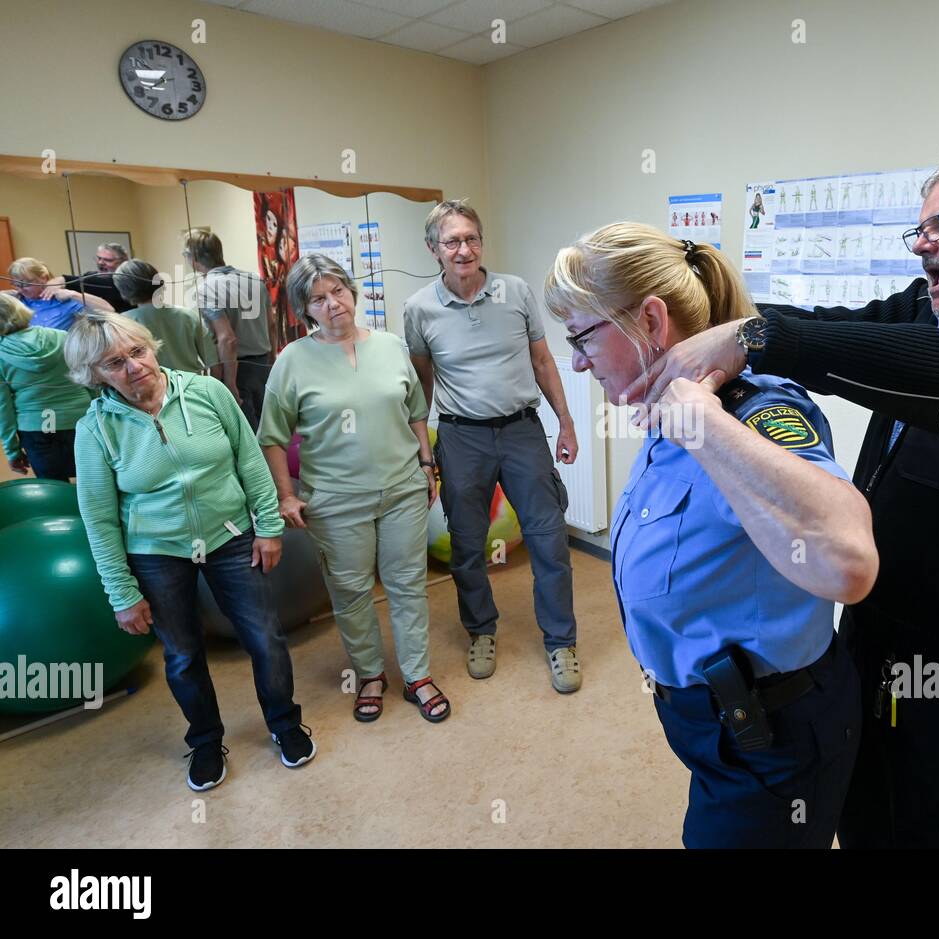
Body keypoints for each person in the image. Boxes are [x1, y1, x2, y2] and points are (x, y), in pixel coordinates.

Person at [631, 150, 939, 848]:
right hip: (869, 642)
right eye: (919, 229)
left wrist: (762, 338)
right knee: (867, 821)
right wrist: (719, 334)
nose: (923, 242)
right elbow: (841, 328)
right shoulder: (929, 307)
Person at [545, 223, 876, 847]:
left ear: (649, 319)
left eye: (582, 337)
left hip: (772, 741)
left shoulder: (748, 412)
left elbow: (848, 561)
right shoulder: (662, 410)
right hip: (717, 727)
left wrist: (703, 424)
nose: (579, 362)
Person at [67, 311, 314, 791]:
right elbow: (98, 518)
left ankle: (284, 724)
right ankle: (204, 741)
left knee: (264, 638)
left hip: (230, 534)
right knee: (181, 655)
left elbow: (249, 458)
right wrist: (121, 591)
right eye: (114, 363)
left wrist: (267, 527)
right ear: (94, 374)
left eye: (138, 352)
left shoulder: (208, 392)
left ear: (152, 347)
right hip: (155, 550)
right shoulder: (95, 430)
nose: (134, 367)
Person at [259, 255, 450, 724]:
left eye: (338, 291)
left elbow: (416, 409)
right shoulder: (293, 361)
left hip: (403, 489)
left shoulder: (389, 346)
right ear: (306, 310)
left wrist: (427, 463)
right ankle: (368, 674)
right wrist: (286, 495)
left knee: (408, 586)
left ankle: (417, 675)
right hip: (337, 499)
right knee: (350, 591)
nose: (333, 304)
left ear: (352, 292)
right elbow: (272, 437)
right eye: (318, 299)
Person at [404, 200, 582, 693]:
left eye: (472, 238)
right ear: (434, 250)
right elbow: (422, 387)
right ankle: (481, 630)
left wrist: (565, 424)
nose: (464, 249)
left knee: (548, 539)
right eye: (452, 241)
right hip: (461, 436)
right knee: (466, 546)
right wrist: (424, 454)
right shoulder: (419, 309)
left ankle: (561, 640)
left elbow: (544, 363)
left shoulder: (517, 292)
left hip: (523, 430)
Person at [183, 229, 274, 427]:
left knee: (247, 434)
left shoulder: (206, 289)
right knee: (269, 430)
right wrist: (271, 361)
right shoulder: (255, 280)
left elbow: (227, 339)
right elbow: (271, 325)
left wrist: (230, 384)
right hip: (263, 363)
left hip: (236, 368)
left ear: (195, 258)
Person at [0, 294, 91, 480]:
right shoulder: (63, 337)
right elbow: (89, 379)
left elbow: (3, 409)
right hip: (81, 417)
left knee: (54, 490)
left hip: (37, 427)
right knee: (97, 479)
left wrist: (12, 451)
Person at [114, 258, 217, 374]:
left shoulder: (123, 324)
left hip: (153, 388)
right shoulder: (188, 316)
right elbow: (213, 362)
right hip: (193, 386)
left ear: (124, 291)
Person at [6, 257, 114, 329]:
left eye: (25, 284)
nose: (21, 290)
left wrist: (74, 294)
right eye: (16, 284)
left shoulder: (63, 299)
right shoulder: (17, 300)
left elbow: (109, 311)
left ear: (43, 278)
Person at [47, 242, 133, 312]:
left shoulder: (127, 280)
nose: (100, 263)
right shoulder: (90, 276)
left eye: (107, 260)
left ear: (123, 261)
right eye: (99, 258)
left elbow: (74, 281)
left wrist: (63, 280)